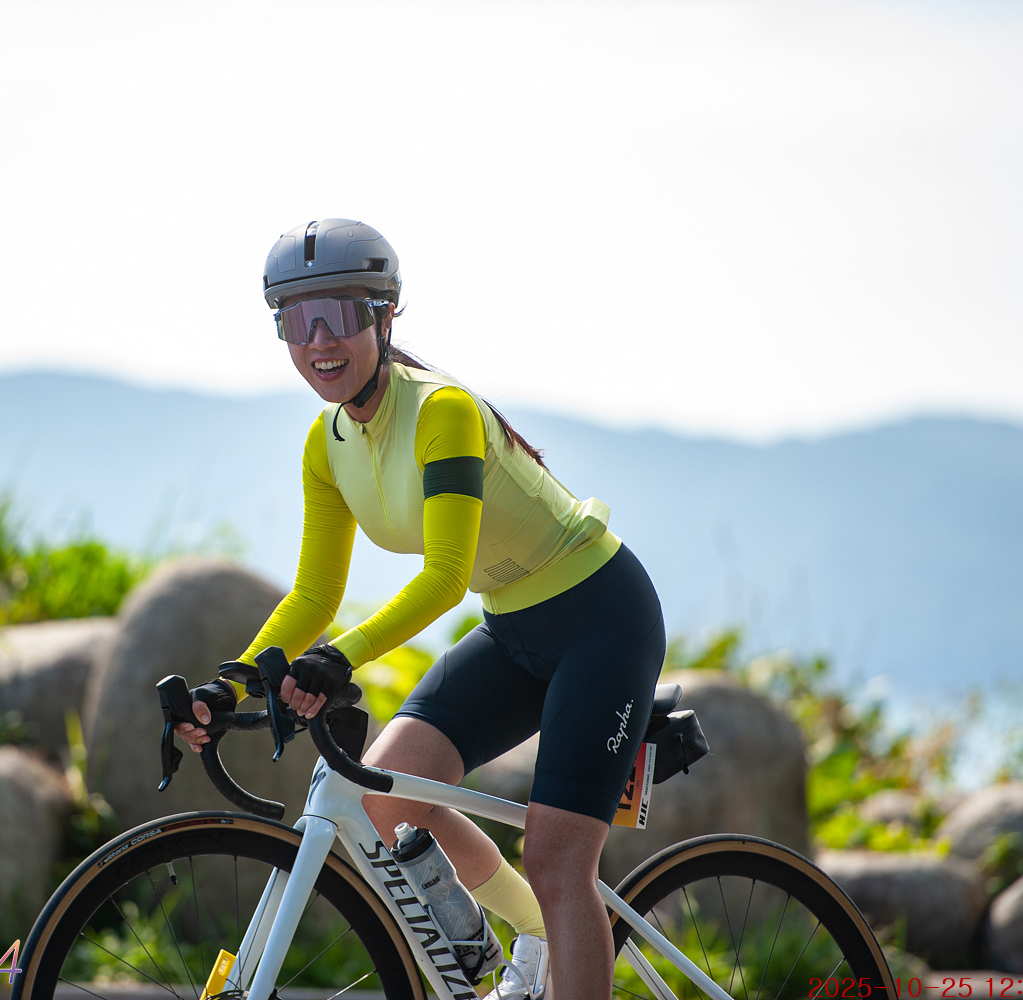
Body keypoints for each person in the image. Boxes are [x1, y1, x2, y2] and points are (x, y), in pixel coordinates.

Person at [175, 218, 665, 1000]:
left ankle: (558, 929)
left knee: (556, 859)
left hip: (601, 619)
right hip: (512, 628)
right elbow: (313, 595)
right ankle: (537, 937)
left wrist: (337, 657)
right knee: (386, 797)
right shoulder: (326, 443)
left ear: (384, 314)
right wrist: (230, 682)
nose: (317, 341)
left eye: (336, 314)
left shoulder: (442, 412)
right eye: (295, 321)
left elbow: (442, 578)